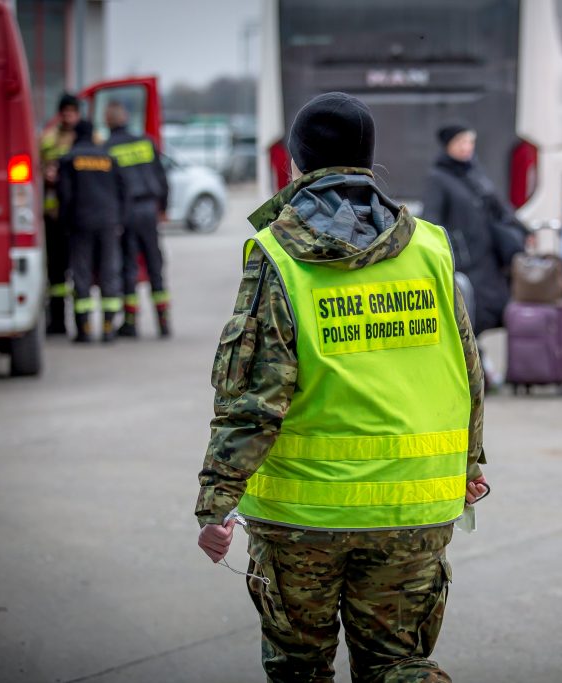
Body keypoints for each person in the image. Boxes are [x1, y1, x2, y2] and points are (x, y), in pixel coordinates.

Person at [195, 92, 488, 683]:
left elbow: (253, 394)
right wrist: (469, 462)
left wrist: (217, 500)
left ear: (295, 162)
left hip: (302, 517)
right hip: (413, 507)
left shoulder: (277, 254)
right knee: (399, 665)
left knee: (301, 670)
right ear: (368, 159)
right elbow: (468, 369)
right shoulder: (429, 246)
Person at [422, 122, 525, 337]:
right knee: (470, 315)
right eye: (461, 142)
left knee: (489, 313)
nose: (466, 147)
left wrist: (523, 230)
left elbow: (498, 208)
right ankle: (476, 364)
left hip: (487, 259)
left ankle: (481, 363)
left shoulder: (474, 172)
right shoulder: (438, 178)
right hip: (464, 260)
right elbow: (431, 219)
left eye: (470, 142)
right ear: (448, 145)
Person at [104, 101, 172, 337]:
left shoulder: (107, 148)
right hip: (150, 210)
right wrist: (163, 207)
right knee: (155, 265)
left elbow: (109, 188)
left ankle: (131, 323)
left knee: (130, 267)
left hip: (127, 212)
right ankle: (164, 323)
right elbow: (161, 177)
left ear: (107, 122)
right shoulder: (146, 142)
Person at [56, 120, 127, 343]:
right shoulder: (108, 157)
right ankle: (108, 328)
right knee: (109, 272)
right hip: (108, 222)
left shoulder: (69, 159)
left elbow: (64, 195)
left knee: (82, 273)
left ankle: (84, 328)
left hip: (81, 224)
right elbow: (123, 191)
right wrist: (119, 220)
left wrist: (64, 222)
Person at [39, 92, 80, 334]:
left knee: (80, 271)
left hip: (77, 215)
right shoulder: (47, 139)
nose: (68, 116)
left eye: (72, 112)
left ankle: (81, 322)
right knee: (56, 272)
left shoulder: (86, 137)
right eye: (65, 112)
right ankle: (57, 321)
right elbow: (36, 167)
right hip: (53, 214)